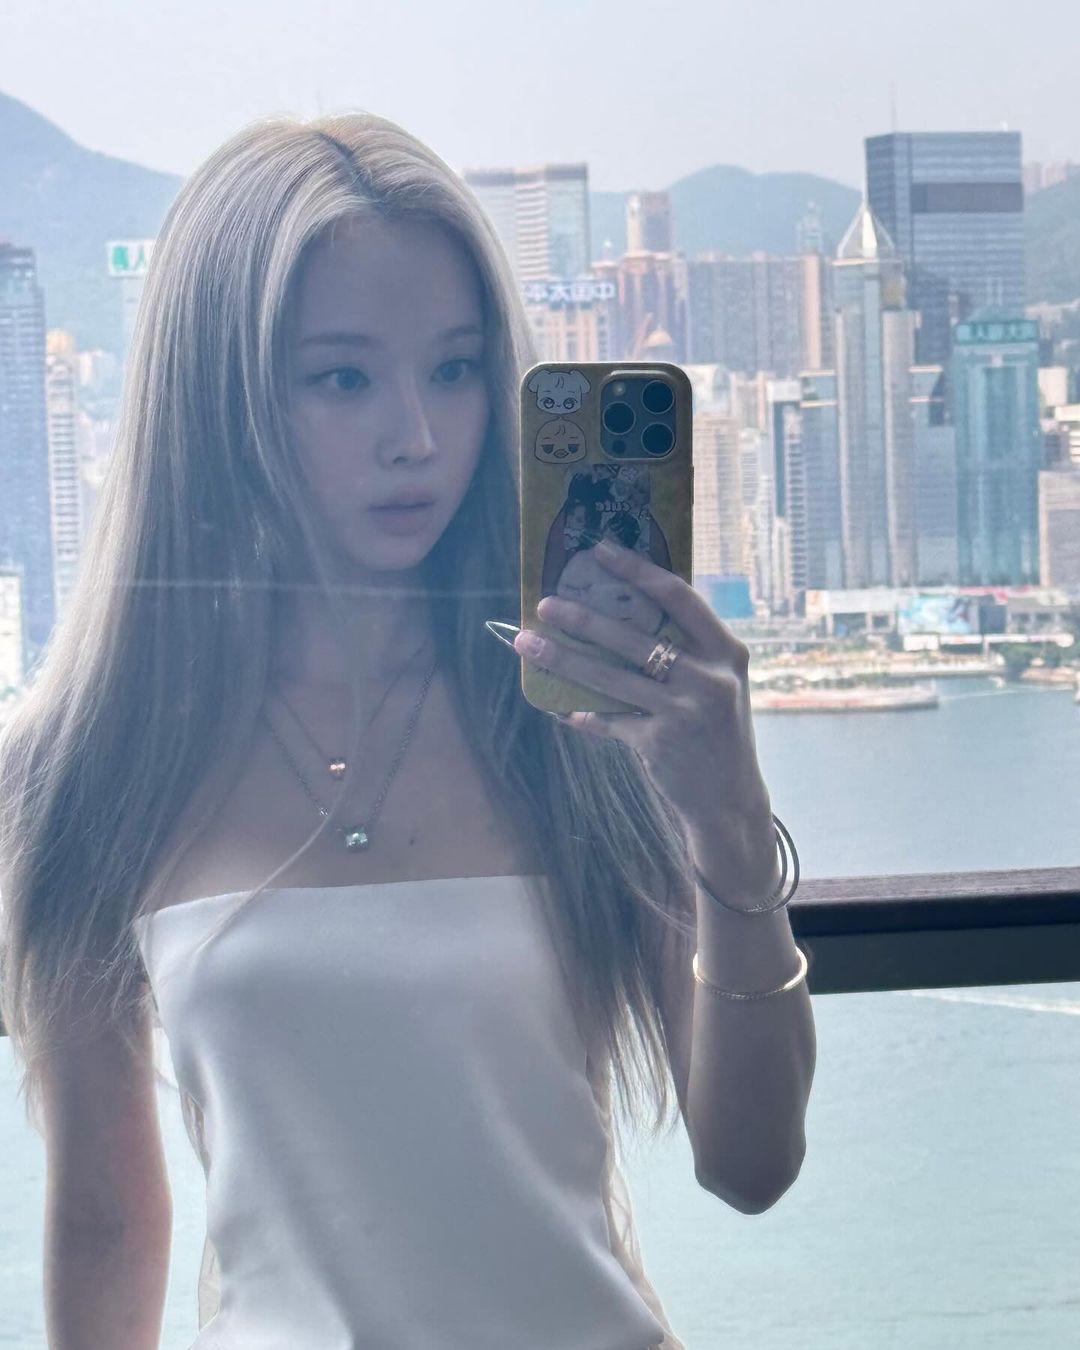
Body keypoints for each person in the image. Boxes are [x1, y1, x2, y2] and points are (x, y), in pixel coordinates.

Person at [0, 111, 816, 1349]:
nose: (418, 440)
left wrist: (731, 818)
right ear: (220, 399)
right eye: (344, 379)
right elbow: (107, 1223)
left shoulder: (585, 723)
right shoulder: (85, 768)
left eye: (454, 370)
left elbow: (752, 1163)